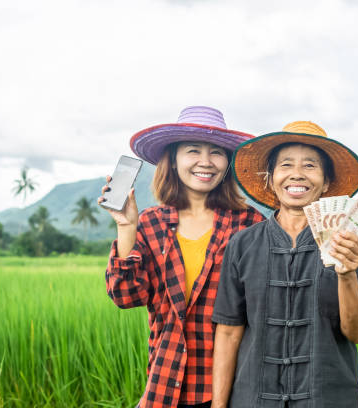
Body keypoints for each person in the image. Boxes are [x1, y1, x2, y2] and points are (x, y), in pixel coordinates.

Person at [99, 106, 266, 408]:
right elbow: (127, 296)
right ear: (173, 161)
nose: (205, 162)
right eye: (193, 151)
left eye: (216, 152)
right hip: (166, 384)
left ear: (227, 163)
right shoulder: (151, 223)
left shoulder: (249, 224)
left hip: (232, 387)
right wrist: (126, 228)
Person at [211, 121, 358, 407]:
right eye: (286, 165)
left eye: (310, 166)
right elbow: (228, 331)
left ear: (326, 182)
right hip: (253, 398)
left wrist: (347, 273)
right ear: (271, 178)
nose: (297, 174)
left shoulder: (349, 240)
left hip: (326, 399)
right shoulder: (242, 244)